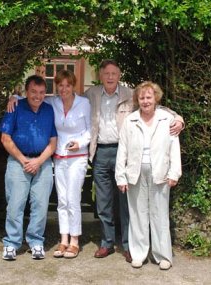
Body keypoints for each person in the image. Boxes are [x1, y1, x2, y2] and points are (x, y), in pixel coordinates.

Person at [85, 59, 184, 262]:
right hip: (101, 151)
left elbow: (155, 106)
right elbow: (68, 101)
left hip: (127, 152)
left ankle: (129, 246)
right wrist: (15, 97)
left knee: (128, 203)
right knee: (103, 202)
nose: (110, 77)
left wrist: (179, 118)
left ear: (119, 75)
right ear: (100, 76)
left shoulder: (130, 94)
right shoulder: (91, 94)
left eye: (114, 73)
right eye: (106, 73)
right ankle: (106, 243)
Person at [7, 70, 91, 259]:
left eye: (67, 85)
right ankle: (63, 240)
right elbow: (29, 97)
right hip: (58, 156)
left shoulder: (83, 103)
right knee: (62, 200)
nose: (63, 89)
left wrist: (80, 143)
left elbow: (89, 130)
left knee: (72, 198)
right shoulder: (52, 102)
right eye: (60, 85)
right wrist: (13, 96)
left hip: (77, 156)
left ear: (73, 86)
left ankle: (74, 241)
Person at [115, 81, 182, 270]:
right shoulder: (130, 120)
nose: (145, 101)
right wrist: (121, 176)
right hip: (135, 173)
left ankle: (163, 256)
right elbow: (123, 150)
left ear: (156, 98)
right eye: (142, 97)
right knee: (137, 215)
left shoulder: (166, 118)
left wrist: (174, 173)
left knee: (160, 215)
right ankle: (139, 254)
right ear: (137, 99)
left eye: (149, 97)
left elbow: (174, 147)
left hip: (160, 173)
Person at [0, 75, 57, 261]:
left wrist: (39, 161)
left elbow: (53, 142)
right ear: (26, 91)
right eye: (33, 92)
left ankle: (35, 241)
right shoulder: (14, 107)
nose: (37, 96)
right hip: (18, 161)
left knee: (40, 204)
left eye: (41, 92)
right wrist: (24, 160)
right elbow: (5, 139)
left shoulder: (49, 110)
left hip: (43, 162)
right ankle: (11, 243)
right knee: (15, 203)